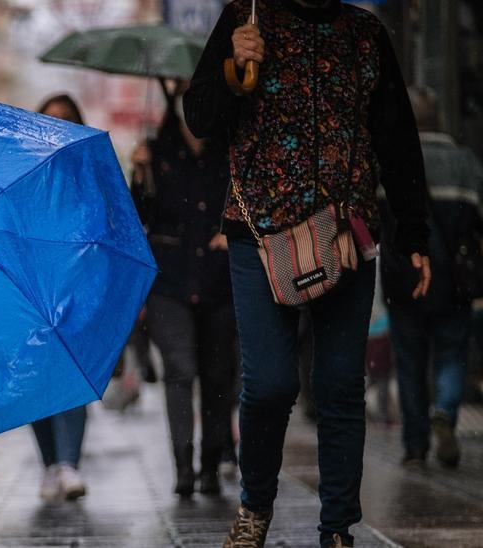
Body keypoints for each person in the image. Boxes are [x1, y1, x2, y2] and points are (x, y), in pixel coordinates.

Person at [184, 1, 432, 547]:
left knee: (341, 385)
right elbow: (199, 117)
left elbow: (396, 137)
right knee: (270, 383)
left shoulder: (366, 33)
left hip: (345, 232)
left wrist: (414, 234)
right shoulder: (247, 15)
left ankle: (337, 527)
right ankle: (255, 507)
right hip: (260, 234)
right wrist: (232, 70)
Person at [133, 88, 238, 498]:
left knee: (218, 376)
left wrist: (232, 233)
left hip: (218, 279)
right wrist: (140, 175)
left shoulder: (230, 152)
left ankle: (211, 462)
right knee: (180, 369)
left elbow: (247, 204)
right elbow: (139, 215)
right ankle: (183, 464)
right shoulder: (157, 153)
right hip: (170, 281)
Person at [381, 87, 483, 469]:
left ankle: (415, 444)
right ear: (438, 118)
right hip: (455, 280)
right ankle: (445, 410)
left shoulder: (392, 161)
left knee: (409, 362)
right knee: (452, 353)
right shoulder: (465, 162)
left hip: (404, 279)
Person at [29, 94, 90, 502]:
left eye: (66, 119)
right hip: (31, 291)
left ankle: (69, 463)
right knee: (36, 382)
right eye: (49, 121)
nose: (58, 128)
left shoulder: (89, 172)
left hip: (76, 288)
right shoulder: (26, 175)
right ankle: (51, 463)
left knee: (71, 375)